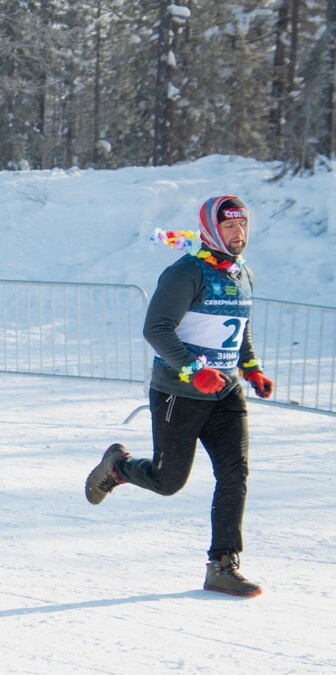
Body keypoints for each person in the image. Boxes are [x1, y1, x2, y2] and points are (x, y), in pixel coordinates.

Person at [85, 194, 273, 598]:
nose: (238, 233)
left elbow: (239, 327)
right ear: (209, 230)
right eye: (228, 226)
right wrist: (193, 370)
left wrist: (251, 366)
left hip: (225, 393)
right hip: (179, 393)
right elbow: (157, 330)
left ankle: (222, 565)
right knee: (168, 481)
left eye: (242, 225)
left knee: (235, 474)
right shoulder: (186, 273)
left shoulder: (243, 274)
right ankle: (118, 466)